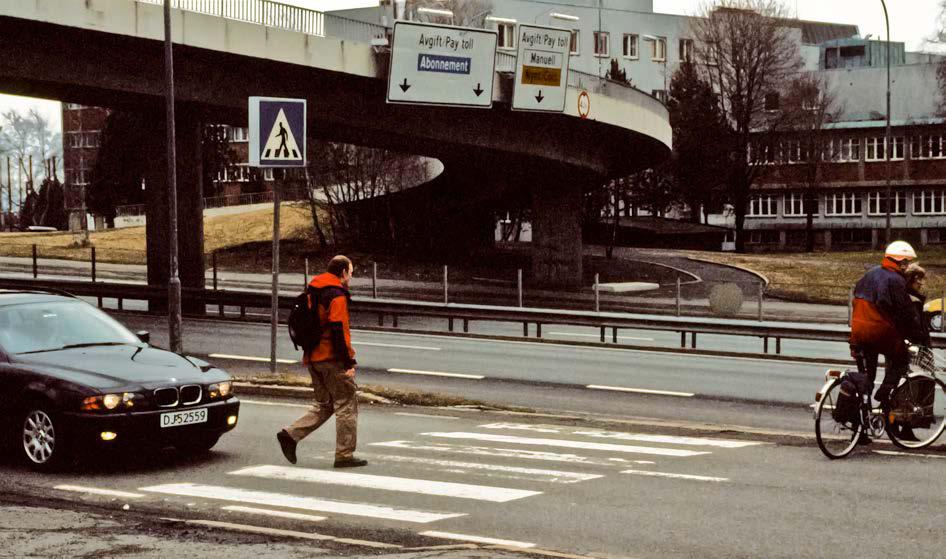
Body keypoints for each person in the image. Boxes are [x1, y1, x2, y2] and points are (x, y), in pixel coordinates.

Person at [276, 255, 367, 468]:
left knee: (325, 404)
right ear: (343, 272)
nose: (351, 277)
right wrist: (348, 362)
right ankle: (344, 454)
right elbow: (339, 330)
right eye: (351, 272)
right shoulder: (336, 295)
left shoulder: (313, 290)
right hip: (331, 359)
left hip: (312, 358)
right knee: (346, 403)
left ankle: (290, 435)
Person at [850, 241, 926, 421]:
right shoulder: (896, 280)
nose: (906, 266)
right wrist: (917, 337)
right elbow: (905, 313)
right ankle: (884, 393)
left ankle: (859, 427)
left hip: (859, 332)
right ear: (899, 262)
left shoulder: (870, 273)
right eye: (905, 262)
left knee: (866, 378)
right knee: (901, 358)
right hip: (877, 332)